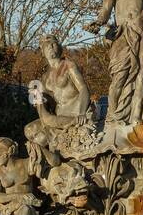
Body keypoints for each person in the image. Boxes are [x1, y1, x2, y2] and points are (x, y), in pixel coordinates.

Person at [23, 34, 92, 165]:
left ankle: (53, 163)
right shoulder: (45, 76)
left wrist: (82, 112)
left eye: (54, 44)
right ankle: (46, 166)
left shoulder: (68, 65)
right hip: (58, 115)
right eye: (47, 46)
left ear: (59, 47)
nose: (51, 47)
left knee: (40, 139)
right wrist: (38, 98)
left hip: (74, 110)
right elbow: (48, 101)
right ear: (43, 51)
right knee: (29, 129)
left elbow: (83, 88)